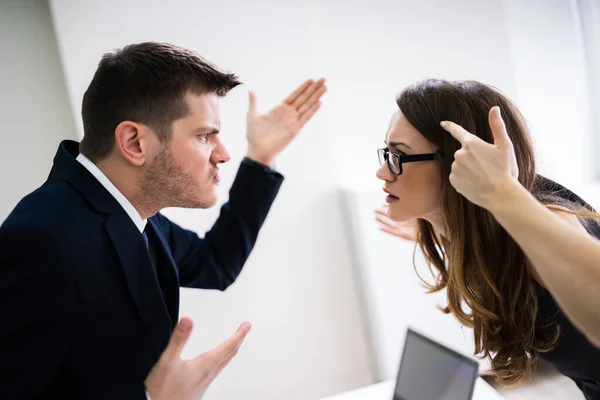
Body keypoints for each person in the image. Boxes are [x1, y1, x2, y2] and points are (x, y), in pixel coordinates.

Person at [0, 42, 326, 399]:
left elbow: (215, 263)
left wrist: (260, 158)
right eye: (204, 135)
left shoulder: (131, 210)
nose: (223, 154)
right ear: (135, 143)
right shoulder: (40, 243)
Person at [374, 79, 600, 399]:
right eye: (386, 152)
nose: (383, 172)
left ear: (459, 161)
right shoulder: (479, 229)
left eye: (399, 155)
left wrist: (500, 194)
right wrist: (447, 233)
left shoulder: (543, 227)